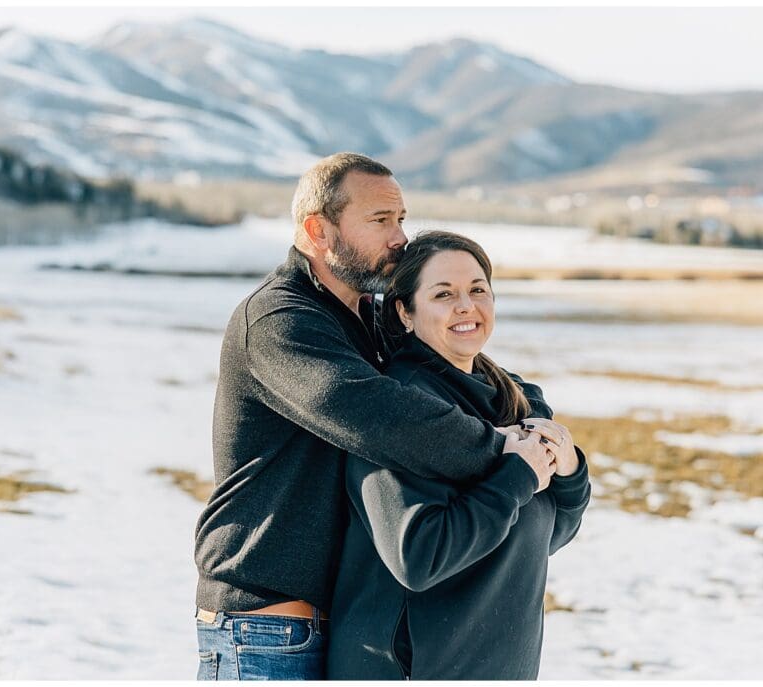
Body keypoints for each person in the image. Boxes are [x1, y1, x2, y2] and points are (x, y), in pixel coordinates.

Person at [193, 154, 553, 680]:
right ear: (319, 230)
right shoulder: (279, 321)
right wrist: (505, 452)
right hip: (266, 628)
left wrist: (536, 422)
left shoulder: (369, 318)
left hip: (333, 624)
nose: (400, 238)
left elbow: (469, 373)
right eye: (380, 221)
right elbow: (383, 419)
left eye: (402, 218)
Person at [328, 231, 591, 680]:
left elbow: (540, 537)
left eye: (477, 290)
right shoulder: (399, 407)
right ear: (404, 312)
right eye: (443, 294)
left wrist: (570, 472)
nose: (465, 305)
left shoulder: (514, 400)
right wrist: (516, 477)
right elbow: (420, 557)